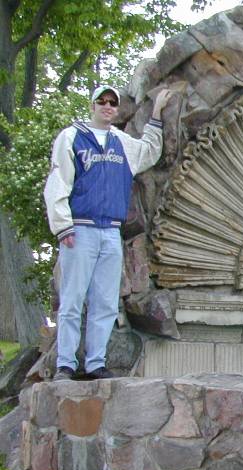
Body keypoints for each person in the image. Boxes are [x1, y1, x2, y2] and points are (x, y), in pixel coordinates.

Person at [44, 85, 172, 381]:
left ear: (116, 108)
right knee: (72, 300)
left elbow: (149, 152)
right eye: (101, 101)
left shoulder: (121, 142)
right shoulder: (72, 137)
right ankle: (65, 364)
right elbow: (58, 181)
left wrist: (156, 113)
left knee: (105, 301)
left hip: (111, 231)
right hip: (80, 229)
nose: (107, 106)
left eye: (112, 102)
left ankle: (95, 363)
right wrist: (62, 226)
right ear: (92, 105)